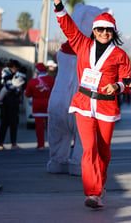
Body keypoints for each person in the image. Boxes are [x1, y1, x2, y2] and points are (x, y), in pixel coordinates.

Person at [50, 0, 131, 209]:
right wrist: (57, 0)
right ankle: (93, 192)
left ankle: (100, 184)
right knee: (89, 150)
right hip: (84, 104)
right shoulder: (82, 44)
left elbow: (129, 81)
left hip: (107, 108)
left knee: (103, 152)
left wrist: (118, 86)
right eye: (100, 29)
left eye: (108, 30)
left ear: (113, 32)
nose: (104, 33)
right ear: (94, 31)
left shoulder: (120, 55)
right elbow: (67, 25)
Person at [47, 41, 82, 176]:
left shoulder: (63, 49)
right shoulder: (89, 48)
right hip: (80, 96)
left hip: (59, 94)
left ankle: (57, 162)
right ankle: (78, 165)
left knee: (58, 132)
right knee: (83, 136)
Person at [0, 59, 26, 150]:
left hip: (8, 101)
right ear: (12, 68)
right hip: (9, 101)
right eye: (15, 69)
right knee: (7, 123)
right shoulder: (6, 75)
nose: (16, 70)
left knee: (8, 123)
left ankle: (4, 143)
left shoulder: (6, 74)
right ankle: (4, 143)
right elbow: (11, 86)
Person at [25, 63, 55, 150]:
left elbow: (27, 94)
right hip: (49, 105)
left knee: (39, 127)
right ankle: (52, 144)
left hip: (37, 106)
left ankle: (40, 144)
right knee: (50, 126)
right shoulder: (51, 80)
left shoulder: (32, 81)